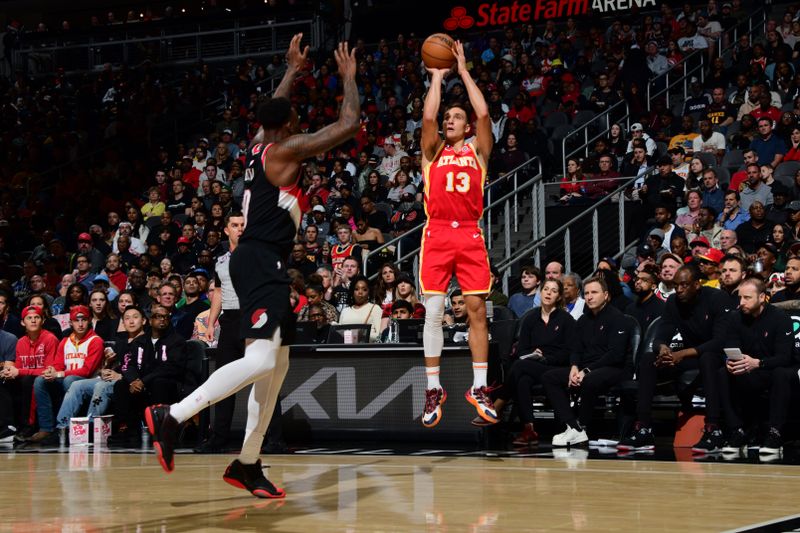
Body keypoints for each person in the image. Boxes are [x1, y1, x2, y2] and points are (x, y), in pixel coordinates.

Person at [145, 35, 360, 499]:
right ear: (290, 123)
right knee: (261, 358)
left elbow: (273, 111)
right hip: (261, 257)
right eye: (294, 114)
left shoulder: (259, 145)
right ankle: (174, 415)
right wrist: (348, 77)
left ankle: (247, 463)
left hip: (260, 259)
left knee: (276, 367)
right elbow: (348, 124)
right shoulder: (284, 150)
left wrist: (292, 70)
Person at [418, 40, 497, 428]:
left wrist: (463, 71)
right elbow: (428, 119)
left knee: (477, 310)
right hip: (435, 235)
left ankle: (479, 386)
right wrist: (436, 76)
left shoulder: (478, 152)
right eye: (448, 116)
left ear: (466, 126)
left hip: (469, 235)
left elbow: (483, 114)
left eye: (455, 117)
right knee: (433, 311)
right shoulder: (432, 152)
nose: (449, 120)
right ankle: (433, 388)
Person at [617, 265, 731, 453]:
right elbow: (661, 335)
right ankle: (644, 427)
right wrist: (663, 350)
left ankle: (713, 429)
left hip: (716, 356)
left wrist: (681, 354)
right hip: (689, 356)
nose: (679, 289)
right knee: (648, 359)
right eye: (676, 285)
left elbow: (719, 342)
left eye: (684, 285)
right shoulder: (673, 301)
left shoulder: (716, 298)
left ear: (697, 284)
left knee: (708, 358)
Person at [541, 277, 631, 446]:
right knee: (550, 377)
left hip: (614, 368)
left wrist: (586, 371)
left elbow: (615, 355)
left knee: (590, 379)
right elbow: (576, 348)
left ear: (606, 295)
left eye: (594, 292)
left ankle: (582, 424)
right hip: (586, 367)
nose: (589, 297)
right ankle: (574, 427)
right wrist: (574, 367)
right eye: (587, 293)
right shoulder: (583, 320)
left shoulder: (618, 318)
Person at [717, 278, 794, 454]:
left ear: (761, 297)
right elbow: (730, 347)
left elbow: (785, 357)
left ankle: (775, 433)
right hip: (748, 368)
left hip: (770, 369)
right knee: (723, 372)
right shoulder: (735, 317)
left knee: (781, 373)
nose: (741, 302)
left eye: (747, 298)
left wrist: (758, 363)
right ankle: (737, 430)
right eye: (740, 298)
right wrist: (730, 362)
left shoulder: (780, 318)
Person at [195, 211, 245, 453]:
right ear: (226, 230)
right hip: (230, 321)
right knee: (224, 381)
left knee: (263, 382)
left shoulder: (257, 255)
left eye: (243, 224)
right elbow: (218, 292)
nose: (240, 228)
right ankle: (218, 437)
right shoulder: (221, 260)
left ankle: (273, 438)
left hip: (253, 321)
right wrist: (212, 322)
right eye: (235, 225)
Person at [509, 279, 576, 445]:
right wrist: (533, 354)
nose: (548, 293)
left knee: (519, 367)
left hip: (556, 367)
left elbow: (569, 351)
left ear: (559, 296)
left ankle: (500, 400)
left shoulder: (566, 319)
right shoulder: (531, 318)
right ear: (540, 292)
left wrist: (547, 358)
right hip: (533, 364)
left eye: (553, 291)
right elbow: (522, 350)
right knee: (523, 379)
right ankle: (529, 429)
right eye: (546, 289)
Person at [26, 305, 104, 444]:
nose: (80, 324)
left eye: (84, 320)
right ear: (70, 323)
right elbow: (58, 365)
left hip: (87, 381)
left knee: (70, 380)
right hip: (65, 378)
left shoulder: (96, 341)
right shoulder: (65, 341)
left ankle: (66, 428)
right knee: (40, 381)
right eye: (76, 320)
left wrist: (59, 373)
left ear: (90, 320)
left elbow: (87, 370)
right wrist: (51, 371)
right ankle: (46, 428)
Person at [0, 306, 59, 442]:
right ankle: (7, 427)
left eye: (36, 317)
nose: (33, 321)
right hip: (27, 378)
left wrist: (19, 371)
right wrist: (8, 372)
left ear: (42, 320)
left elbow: (48, 370)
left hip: (48, 380)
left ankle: (29, 426)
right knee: (5, 380)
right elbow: (19, 369)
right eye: (29, 318)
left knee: (29, 380)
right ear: (22, 322)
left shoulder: (50, 339)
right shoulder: (21, 342)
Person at [338, 275, 382, 342]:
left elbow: (380, 335)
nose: (360, 292)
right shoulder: (345, 311)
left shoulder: (375, 308)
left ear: (369, 292)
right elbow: (339, 335)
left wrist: (363, 334)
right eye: (356, 289)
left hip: (366, 350)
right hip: (346, 350)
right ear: (352, 292)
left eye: (364, 289)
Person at [625, 263, 665, 333]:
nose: (638, 282)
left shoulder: (661, 307)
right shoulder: (629, 308)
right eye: (637, 279)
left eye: (644, 280)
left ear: (653, 286)